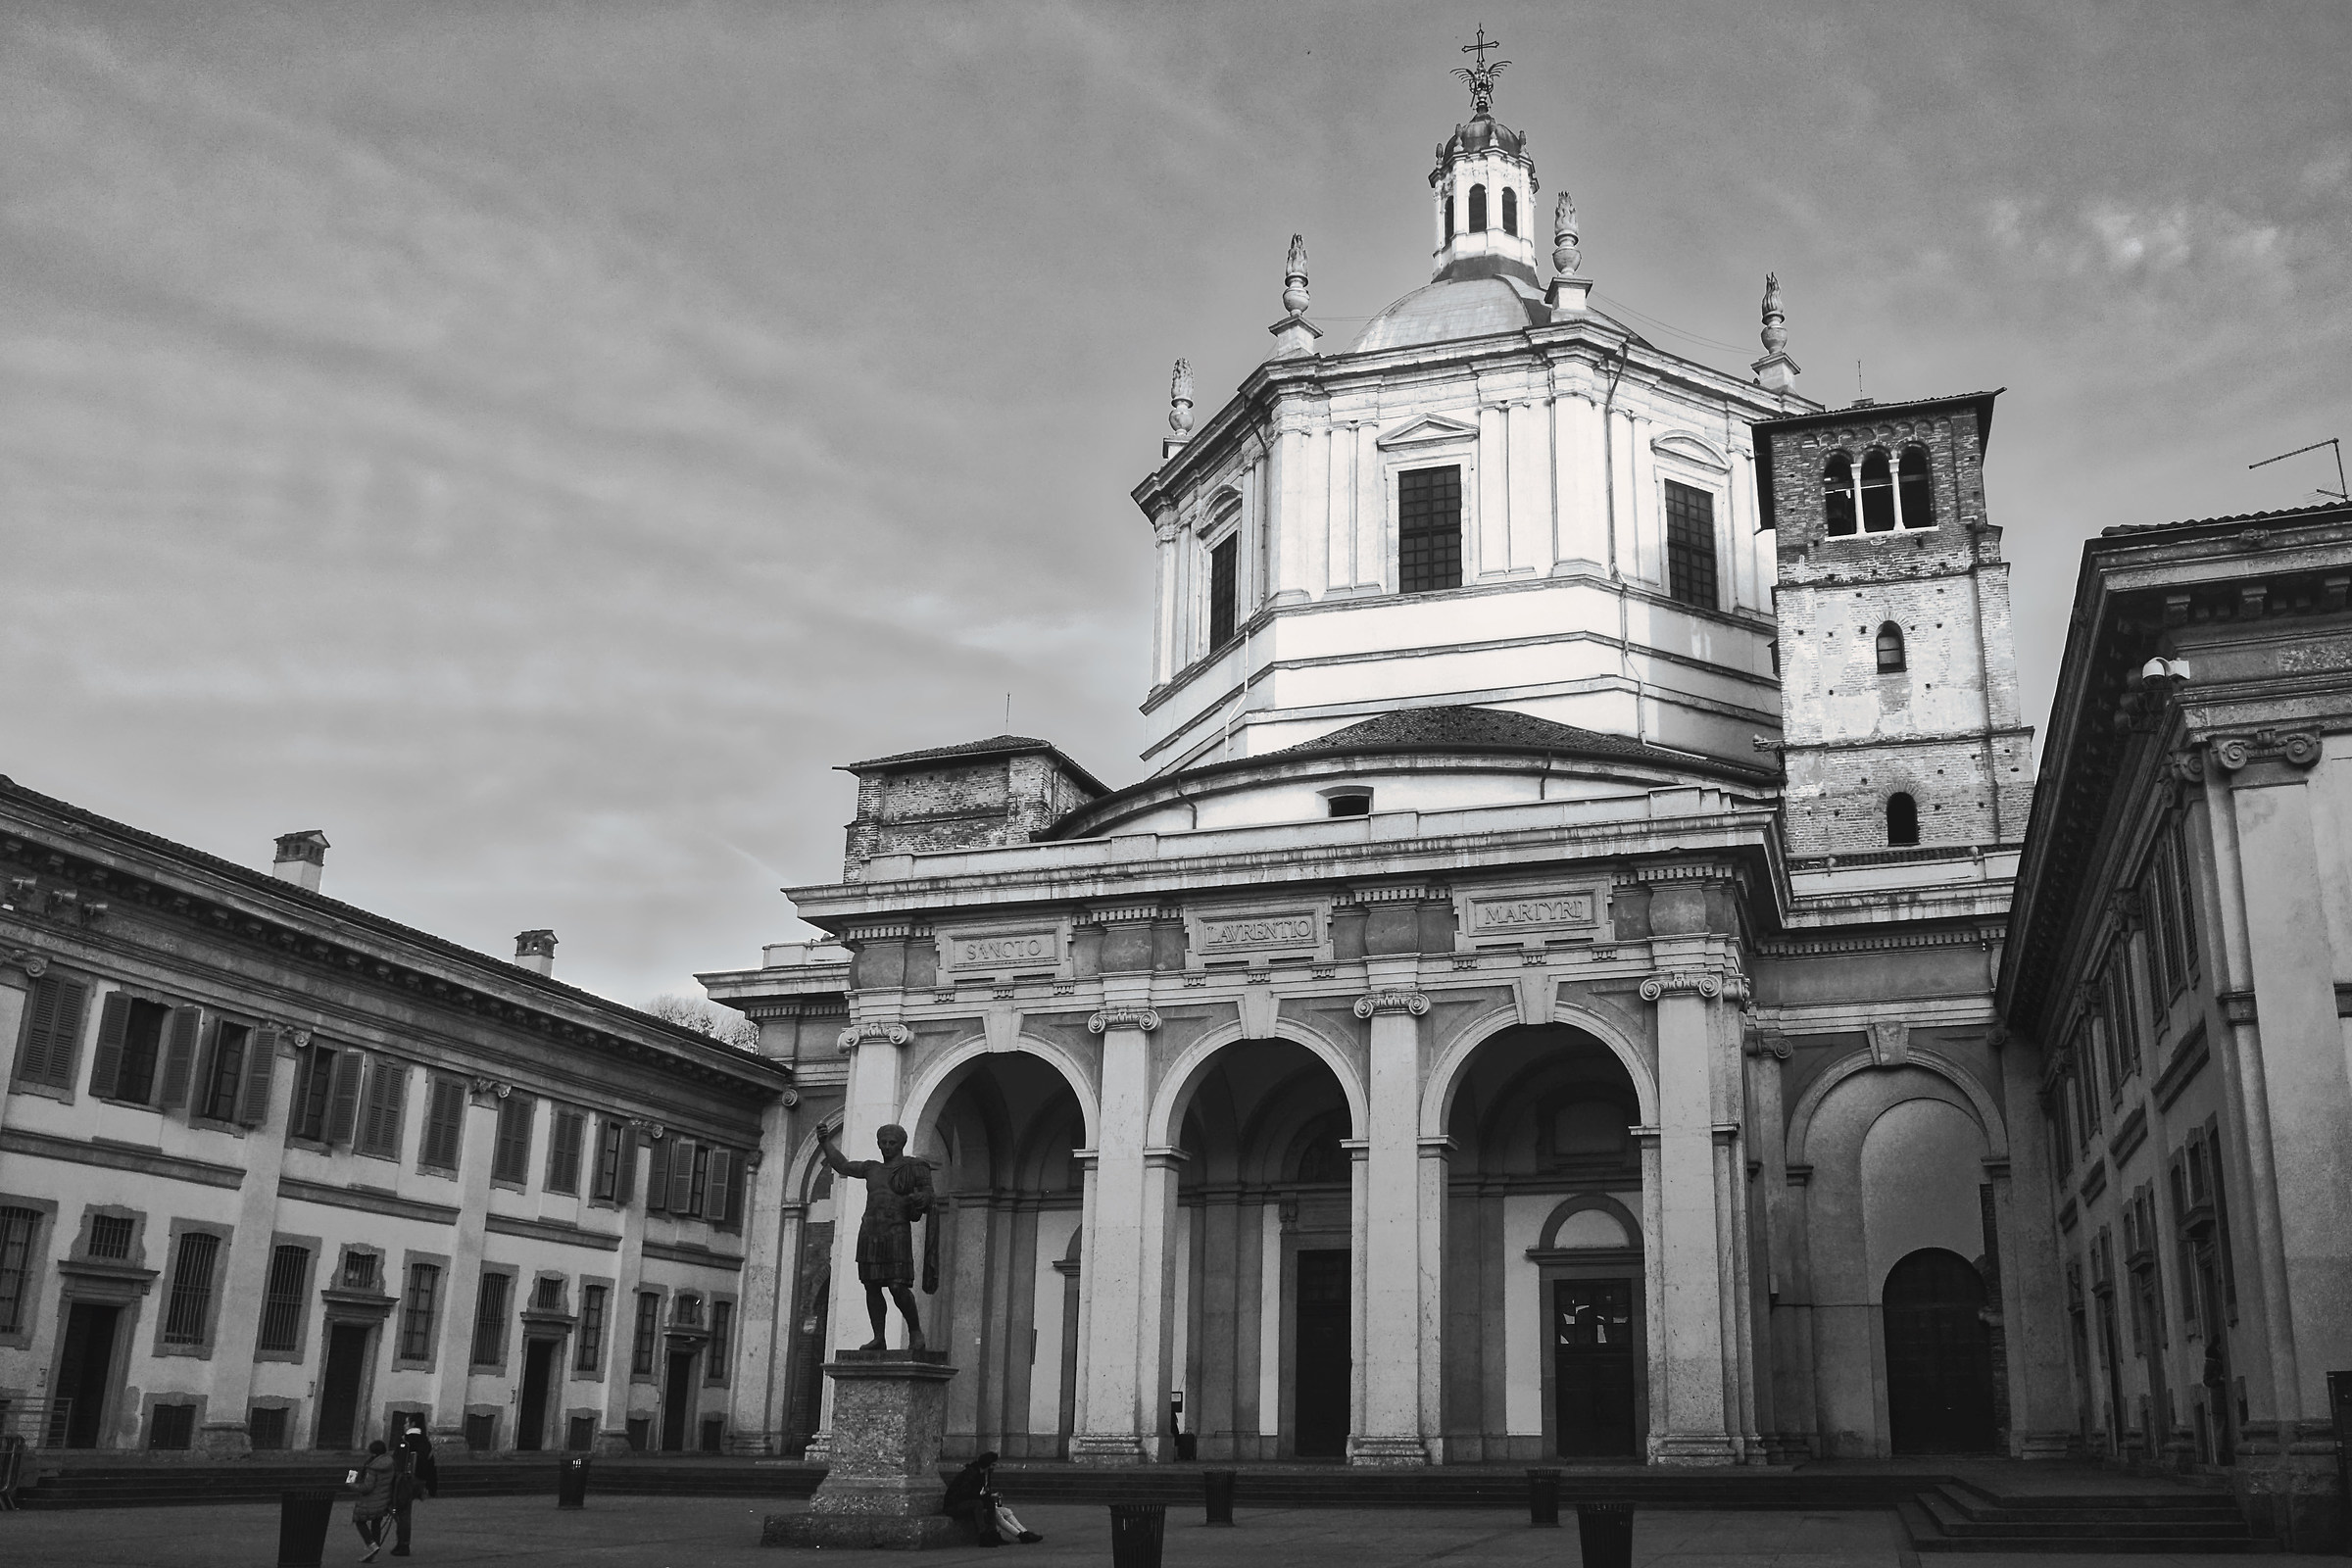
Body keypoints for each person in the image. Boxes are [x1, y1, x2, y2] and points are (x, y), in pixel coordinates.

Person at [815, 1122, 937, 1350]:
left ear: (901, 1144)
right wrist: (825, 1143)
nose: (888, 1147)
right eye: (884, 1143)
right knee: (871, 1286)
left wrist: (919, 1199)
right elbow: (842, 1166)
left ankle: (915, 1331)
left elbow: (929, 1195)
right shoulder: (871, 1168)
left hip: (896, 1232)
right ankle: (879, 1337)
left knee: (897, 1287)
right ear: (878, 1144)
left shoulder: (914, 1168)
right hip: (870, 1232)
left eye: (892, 1143)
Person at [940, 1452, 1043, 1547]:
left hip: (970, 1501)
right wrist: (984, 1496)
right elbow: (965, 1493)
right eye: (993, 1465)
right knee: (981, 1505)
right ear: (987, 1465)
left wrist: (989, 1496)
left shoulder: (985, 1474)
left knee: (997, 1508)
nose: (994, 1467)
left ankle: (1018, 1533)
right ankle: (986, 1535)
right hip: (956, 1504)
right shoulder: (971, 1473)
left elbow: (984, 1491)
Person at [388, 1416, 438, 1557]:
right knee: (403, 1512)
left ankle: (403, 1544)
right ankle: (402, 1543)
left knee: (402, 1513)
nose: (404, 1425)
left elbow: (396, 1462)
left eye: (406, 1422)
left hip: (405, 1481)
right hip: (420, 1481)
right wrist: (432, 1486)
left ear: (412, 1424)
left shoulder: (406, 1440)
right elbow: (431, 1465)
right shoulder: (425, 1441)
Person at [348, 1439, 393, 1563]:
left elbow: (367, 1487)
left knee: (359, 1521)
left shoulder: (373, 1467)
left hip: (371, 1500)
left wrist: (352, 1485)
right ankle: (375, 1552)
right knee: (376, 1523)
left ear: (373, 1453)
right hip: (383, 1499)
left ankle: (371, 1545)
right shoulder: (389, 1463)